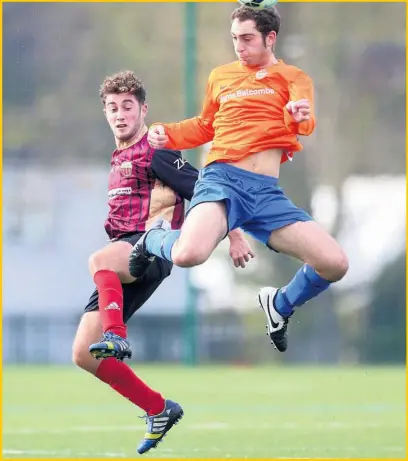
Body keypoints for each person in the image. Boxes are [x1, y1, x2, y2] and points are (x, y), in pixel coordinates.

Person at [129, 6, 349, 354]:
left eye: (247, 39)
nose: (239, 46)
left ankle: (280, 305)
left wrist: (297, 114)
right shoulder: (221, 76)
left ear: (270, 38)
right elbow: (204, 126)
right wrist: (166, 133)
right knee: (188, 254)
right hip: (223, 180)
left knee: (335, 263)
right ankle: (152, 239)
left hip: (266, 193)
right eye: (234, 39)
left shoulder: (293, 77)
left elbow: (304, 119)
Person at [71, 70, 253, 455]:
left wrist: (234, 233)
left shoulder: (156, 150)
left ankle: (117, 336)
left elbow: (207, 188)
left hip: (152, 248)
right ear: (104, 112)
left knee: (99, 259)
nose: (120, 114)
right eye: (112, 108)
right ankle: (159, 408)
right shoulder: (119, 153)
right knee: (84, 354)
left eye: (127, 107)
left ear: (143, 109)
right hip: (122, 255)